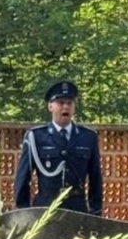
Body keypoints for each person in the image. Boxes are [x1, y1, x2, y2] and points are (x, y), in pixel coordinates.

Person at [15, 81, 103, 215]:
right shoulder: (36, 137)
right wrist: (24, 211)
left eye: (69, 103)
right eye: (61, 103)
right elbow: (23, 177)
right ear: (50, 106)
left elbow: (95, 177)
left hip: (77, 208)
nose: (65, 107)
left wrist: (95, 211)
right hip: (45, 208)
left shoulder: (88, 137)